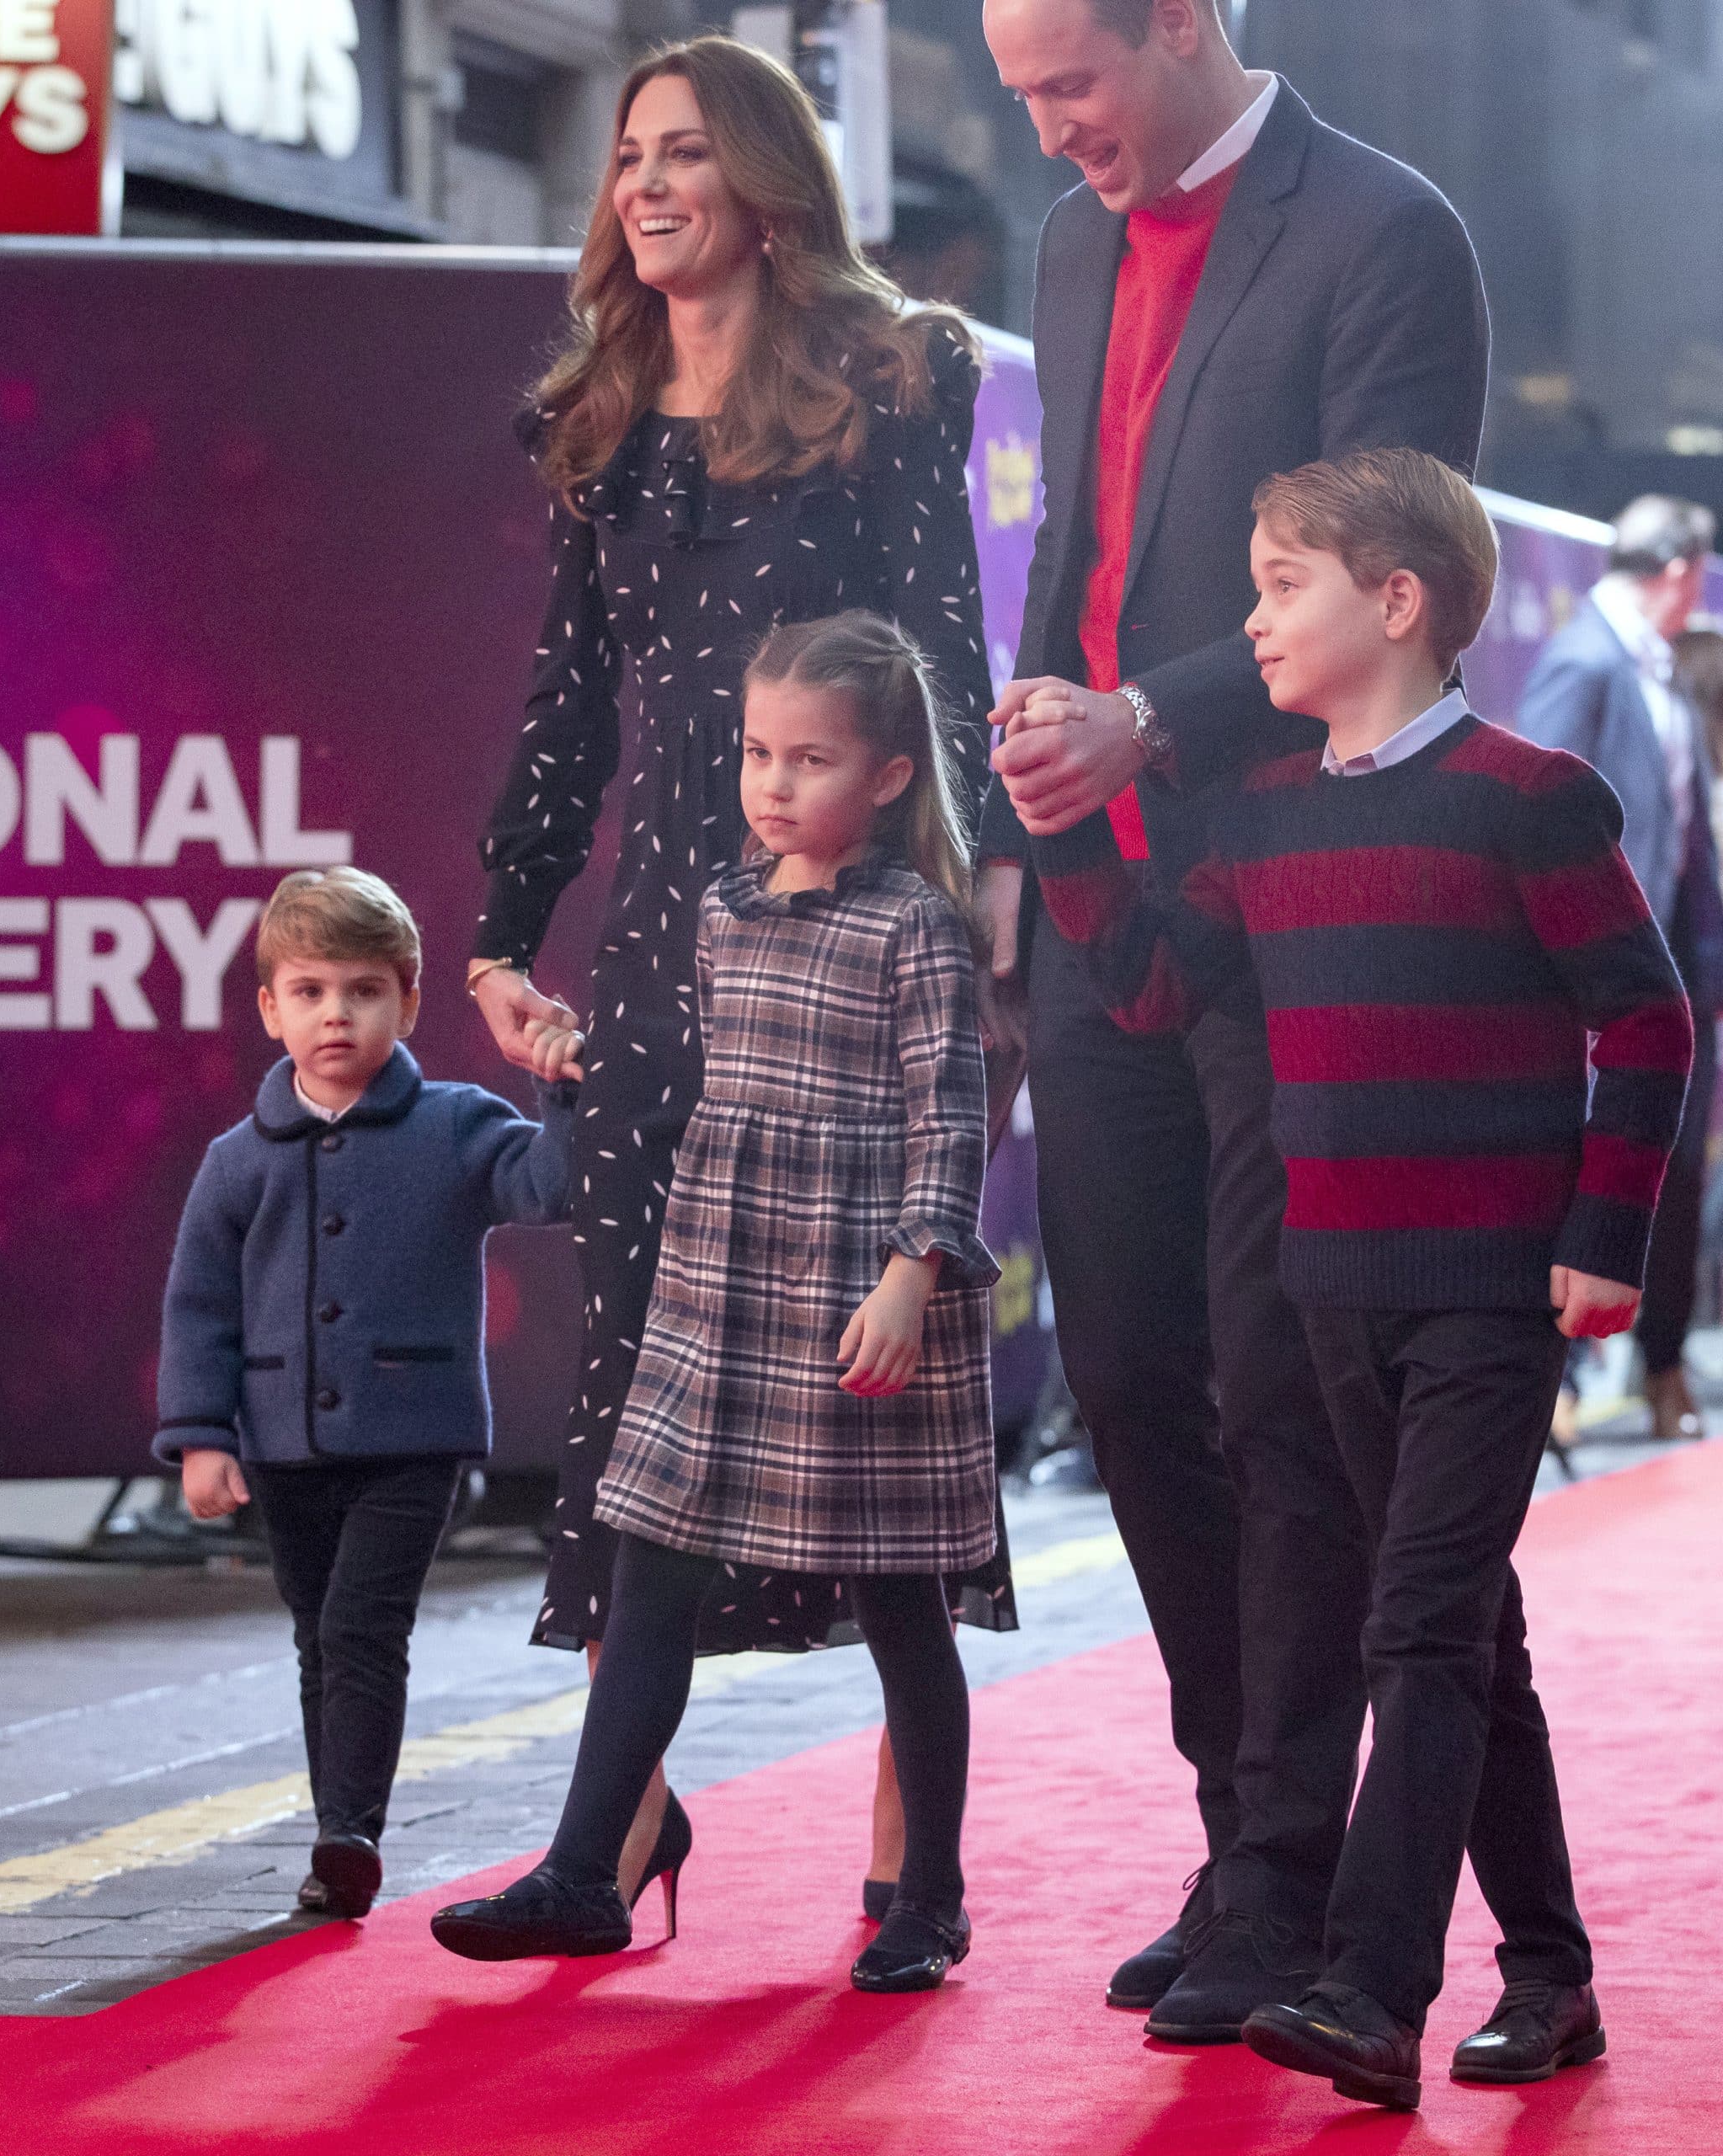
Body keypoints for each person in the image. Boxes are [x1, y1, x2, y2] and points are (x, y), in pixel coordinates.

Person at [1029, 447, 1691, 2109]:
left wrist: (1598, 1243)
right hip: (1332, 1289)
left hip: (1485, 1297)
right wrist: (1060, 837)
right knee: (1472, 1632)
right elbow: (1150, 991)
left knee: (1415, 1620)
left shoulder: (1527, 794)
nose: (1245, 623)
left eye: (1276, 585)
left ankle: (1368, 1988)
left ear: (1395, 602)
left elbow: (1649, 1019)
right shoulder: (1255, 819)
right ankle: (1549, 1974)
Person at [976, 0, 1491, 2036]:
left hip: (1300, 892)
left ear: (1178, 23)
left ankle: (1286, 1872)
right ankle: (1234, 1824)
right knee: (1125, 1374)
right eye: (1015, 91)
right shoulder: (1066, 239)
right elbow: (1070, 559)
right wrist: (1027, 770)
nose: (1043, 130)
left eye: (1066, 82)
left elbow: (1393, 574)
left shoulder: (1381, 231)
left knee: (1284, 1394)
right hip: (1100, 898)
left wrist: (1145, 718)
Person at [465, 33, 1013, 1919]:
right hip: (659, 954)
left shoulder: (888, 371)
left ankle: (910, 1854)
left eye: (682, 150)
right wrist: (498, 928)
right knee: (651, 1396)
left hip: (851, 940)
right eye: (625, 156)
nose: (643, 183)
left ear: (767, 178)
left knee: (872, 1413)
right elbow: (565, 704)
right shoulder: (599, 415)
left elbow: (943, 637)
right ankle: (602, 1835)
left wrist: (973, 896)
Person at [435, 612, 998, 1994]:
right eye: (757, 752)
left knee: (902, 1603)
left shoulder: (919, 926)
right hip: (721, 1275)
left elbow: (949, 1117)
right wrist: (573, 1062)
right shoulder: (723, 909)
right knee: (652, 1572)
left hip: (862, 1285)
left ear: (883, 778)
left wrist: (913, 1272)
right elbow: (717, 1091)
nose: (772, 782)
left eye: (809, 758)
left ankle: (928, 1895)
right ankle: (582, 1871)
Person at [153, 869, 579, 1922]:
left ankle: (350, 1833)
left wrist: (562, 1085)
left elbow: (551, 1188)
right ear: (270, 1008)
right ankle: (337, 1821)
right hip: (281, 1442)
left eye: (362, 991)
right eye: (308, 992)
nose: (335, 1013)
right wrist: (202, 1437)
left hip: (413, 1439)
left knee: (359, 1626)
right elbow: (200, 1303)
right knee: (317, 1634)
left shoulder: (457, 1125)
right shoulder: (234, 1162)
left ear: (409, 1001)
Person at [1520, 499, 1723, 1443]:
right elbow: (1534, 813)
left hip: (1672, 968)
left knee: (1674, 1168)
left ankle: (1661, 1366)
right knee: (1583, 1164)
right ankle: (1553, 1382)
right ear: (1682, 572)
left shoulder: (1655, 671)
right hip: (1594, 971)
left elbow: (1684, 845)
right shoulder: (1585, 659)